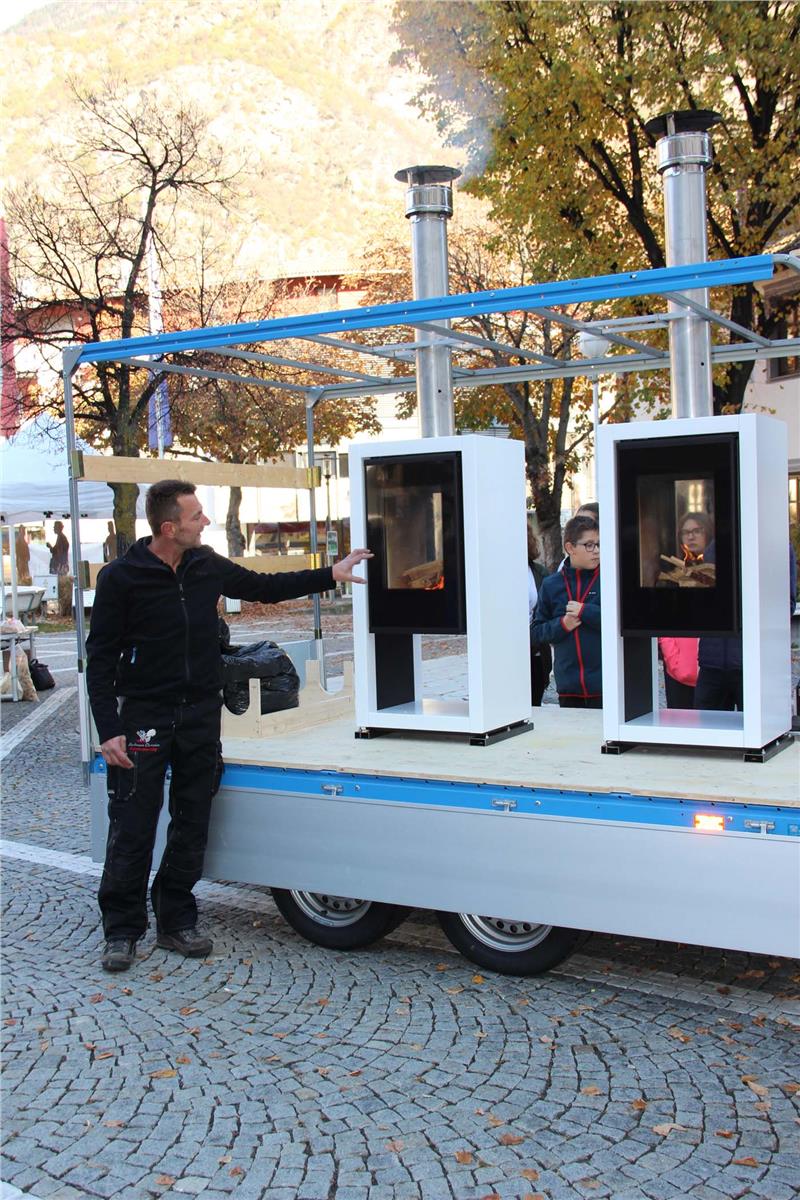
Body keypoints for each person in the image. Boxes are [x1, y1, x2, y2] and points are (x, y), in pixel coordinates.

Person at [86, 479, 372, 973]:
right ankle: (121, 930)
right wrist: (108, 727)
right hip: (145, 717)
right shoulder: (121, 578)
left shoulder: (205, 565)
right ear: (169, 527)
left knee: (193, 820)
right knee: (133, 823)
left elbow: (264, 587)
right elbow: (101, 655)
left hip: (200, 713)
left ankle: (176, 919)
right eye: (196, 516)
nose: (205, 522)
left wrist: (331, 573)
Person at [532, 514, 601, 708]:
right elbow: (536, 632)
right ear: (570, 548)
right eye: (589, 545)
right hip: (569, 688)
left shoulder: (609, 579)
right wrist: (562, 625)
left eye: (598, 544)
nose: (596, 551)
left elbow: (619, 622)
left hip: (605, 687)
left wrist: (585, 611)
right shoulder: (551, 584)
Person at [657, 511, 710, 707]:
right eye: (686, 532)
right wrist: (673, 659)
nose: (691, 536)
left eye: (697, 531)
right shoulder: (671, 574)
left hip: (714, 667)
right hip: (678, 667)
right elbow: (663, 616)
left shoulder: (720, 568)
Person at [526, 525, 552, 706]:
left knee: (534, 708)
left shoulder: (539, 572)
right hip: (504, 656)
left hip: (535, 654)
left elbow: (547, 613)